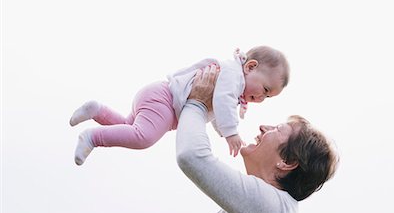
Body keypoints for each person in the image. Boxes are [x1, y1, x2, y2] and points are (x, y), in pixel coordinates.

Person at [176, 65, 339, 213]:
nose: (263, 127)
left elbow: (191, 156)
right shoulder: (266, 208)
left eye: (277, 129)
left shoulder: (271, 207)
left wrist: (197, 103)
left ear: (287, 162)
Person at [69, 46, 290, 165]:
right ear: (251, 67)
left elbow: (215, 112)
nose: (262, 98)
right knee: (142, 137)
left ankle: (97, 110)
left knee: (129, 126)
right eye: (265, 89)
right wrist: (231, 133)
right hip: (164, 101)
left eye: (268, 98)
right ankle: (92, 137)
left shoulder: (232, 83)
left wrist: (222, 131)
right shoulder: (232, 76)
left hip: (157, 96)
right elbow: (222, 102)